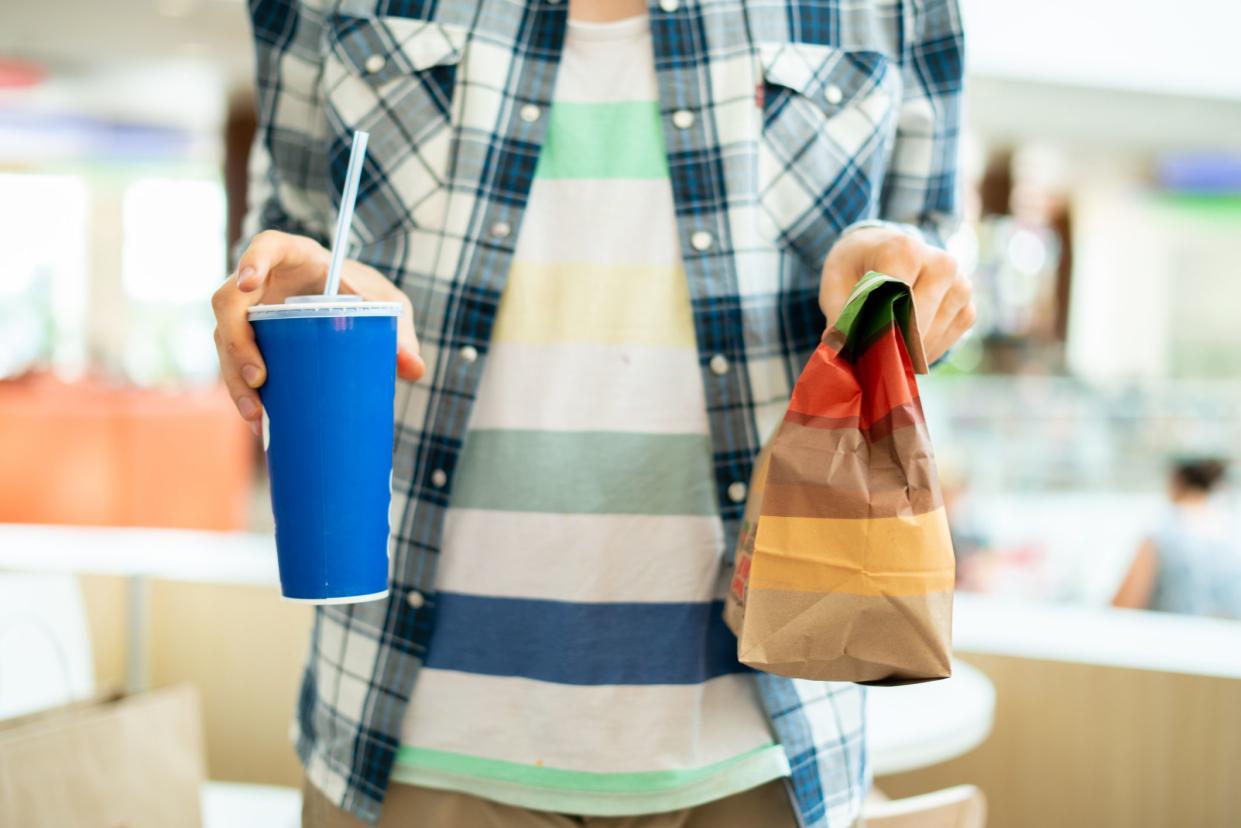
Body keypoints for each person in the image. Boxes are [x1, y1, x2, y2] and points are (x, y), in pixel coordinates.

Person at [212, 0, 973, 825]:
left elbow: (931, 247)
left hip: (764, 743)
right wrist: (291, 291)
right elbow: (287, 234)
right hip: (409, 736)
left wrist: (894, 278)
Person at [1113, 458, 1241, 619]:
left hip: (1173, 639)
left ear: (1177, 481)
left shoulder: (1162, 531)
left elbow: (1123, 607)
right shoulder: (1233, 529)